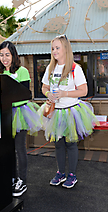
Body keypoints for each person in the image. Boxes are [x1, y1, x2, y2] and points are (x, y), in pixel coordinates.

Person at [41, 35, 99, 188]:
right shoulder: (50, 68)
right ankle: (60, 173)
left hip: (71, 111)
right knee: (58, 144)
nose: (54, 51)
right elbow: (44, 87)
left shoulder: (75, 68)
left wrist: (64, 94)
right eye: (53, 48)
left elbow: (84, 90)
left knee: (71, 143)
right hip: (55, 111)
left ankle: (72, 175)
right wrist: (49, 94)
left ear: (66, 49)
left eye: (57, 48)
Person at [0, 41, 42, 196]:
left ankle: (22, 180)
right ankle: (11, 177)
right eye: (2, 55)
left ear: (13, 55)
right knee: (6, 149)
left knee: (19, 148)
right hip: (5, 114)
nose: (4, 58)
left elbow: (25, 93)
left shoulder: (22, 71)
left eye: (7, 55)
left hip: (20, 113)